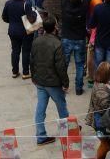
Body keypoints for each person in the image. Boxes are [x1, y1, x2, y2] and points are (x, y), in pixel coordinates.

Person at [30, 16, 69, 147]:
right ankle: (67, 132)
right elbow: (61, 66)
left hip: (40, 80)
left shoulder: (36, 41)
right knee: (62, 107)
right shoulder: (57, 44)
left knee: (40, 108)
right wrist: (65, 83)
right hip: (53, 83)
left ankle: (41, 135)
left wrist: (33, 77)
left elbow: (32, 60)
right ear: (55, 28)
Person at [61, 0, 93, 95]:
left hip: (66, 38)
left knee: (64, 64)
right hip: (79, 39)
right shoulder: (83, 8)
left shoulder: (64, 4)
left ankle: (64, 86)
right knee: (80, 65)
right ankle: (78, 88)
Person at [1, 0, 36, 79]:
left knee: (15, 51)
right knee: (26, 51)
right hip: (25, 31)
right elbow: (31, 20)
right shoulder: (26, 4)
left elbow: (4, 17)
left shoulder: (8, 3)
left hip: (13, 30)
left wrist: (12, 22)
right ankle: (25, 72)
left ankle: (15, 71)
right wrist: (35, 14)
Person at [85, 62, 110, 159]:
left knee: (107, 145)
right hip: (101, 123)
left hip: (102, 121)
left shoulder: (105, 83)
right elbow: (106, 106)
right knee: (106, 145)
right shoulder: (100, 90)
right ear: (107, 74)